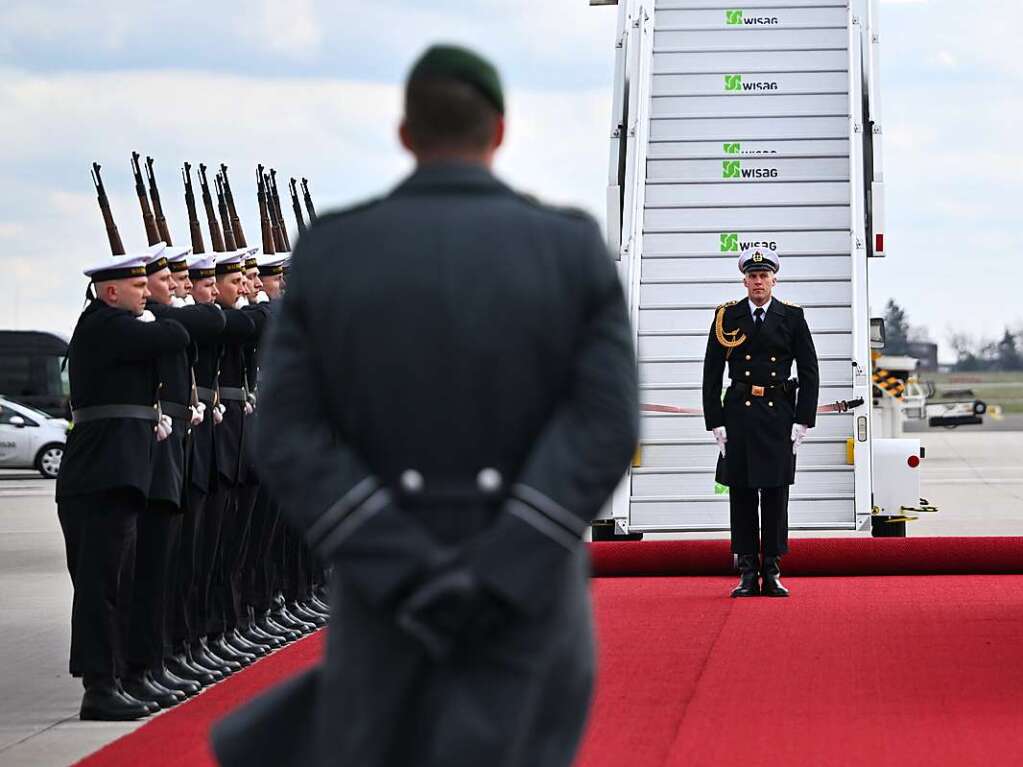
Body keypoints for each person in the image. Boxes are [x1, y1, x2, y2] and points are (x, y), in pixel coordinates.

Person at [212, 44, 638, 767]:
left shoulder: (334, 251)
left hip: (382, 597)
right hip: (529, 601)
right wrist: (507, 561)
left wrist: (404, 568)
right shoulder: (567, 249)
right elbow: (603, 426)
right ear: (499, 131)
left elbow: (287, 433)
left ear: (404, 133)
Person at [56, 250, 191, 720]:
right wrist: (164, 312)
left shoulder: (117, 325)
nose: (149, 291)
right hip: (101, 476)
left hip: (117, 472)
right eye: (138, 286)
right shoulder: (105, 326)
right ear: (110, 292)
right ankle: (99, 687)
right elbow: (175, 333)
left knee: (119, 584)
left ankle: (118, 678)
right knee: (101, 587)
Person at [701, 247, 820, 598]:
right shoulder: (727, 316)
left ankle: (772, 571)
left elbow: (809, 371)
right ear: (745, 281)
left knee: (774, 493)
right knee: (740, 493)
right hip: (738, 413)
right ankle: (747, 571)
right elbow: (711, 372)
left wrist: (803, 420)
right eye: (752, 277)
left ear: (773, 279)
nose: (758, 282)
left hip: (777, 412)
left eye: (764, 276)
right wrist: (715, 421)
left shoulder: (792, 317)